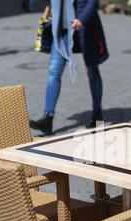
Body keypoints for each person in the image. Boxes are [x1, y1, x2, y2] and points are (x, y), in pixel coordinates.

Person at [29, 0, 109, 135]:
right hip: (62, 30)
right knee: (54, 71)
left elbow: (92, 3)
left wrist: (81, 19)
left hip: (85, 28)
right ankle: (47, 119)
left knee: (92, 70)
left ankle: (97, 114)